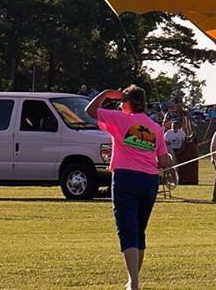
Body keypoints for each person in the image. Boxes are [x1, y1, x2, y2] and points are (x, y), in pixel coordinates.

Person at [93, 86, 166, 290]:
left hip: (125, 178)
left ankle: (133, 282)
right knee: (139, 231)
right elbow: (164, 159)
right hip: (149, 181)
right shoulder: (156, 128)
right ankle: (133, 280)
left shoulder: (121, 119)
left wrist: (106, 93)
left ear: (127, 103)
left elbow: (90, 111)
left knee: (127, 229)